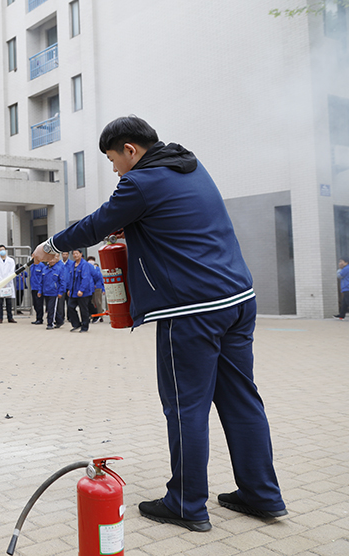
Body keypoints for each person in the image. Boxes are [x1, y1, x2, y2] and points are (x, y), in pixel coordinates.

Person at [32, 115, 286, 532]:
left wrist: (52, 244)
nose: (115, 170)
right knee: (242, 400)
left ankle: (186, 503)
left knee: (186, 407)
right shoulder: (189, 165)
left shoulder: (140, 183)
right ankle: (261, 494)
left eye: (113, 160)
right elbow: (167, 222)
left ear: (130, 150)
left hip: (192, 311)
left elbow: (97, 224)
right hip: (239, 300)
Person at [67, 249, 94, 332]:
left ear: (81, 254)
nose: (75, 255)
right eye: (74, 254)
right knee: (70, 307)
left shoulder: (85, 264)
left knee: (83, 309)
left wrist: (81, 290)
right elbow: (71, 278)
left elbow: (86, 278)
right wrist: (69, 289)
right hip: (73, 291)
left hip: (83, 292)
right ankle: (76, 324)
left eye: (77, 253)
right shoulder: (73, 264)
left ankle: (85, 326)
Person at [0, 244, 17, 323]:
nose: (2, 251)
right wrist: (2, 282)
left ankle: (10, 317)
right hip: (0, 283)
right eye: (0, 250)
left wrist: (6, 281)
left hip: (8, 283)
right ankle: (0, 318)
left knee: (9, 302)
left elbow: (11, 271)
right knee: (0, 302)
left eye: (3, 249)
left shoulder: (11, 260)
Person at [41, 258, 65, 329]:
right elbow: (41, 281)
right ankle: (59, 321)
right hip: (46, 292)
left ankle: (50, 323)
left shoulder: (59, 269)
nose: (51, 261)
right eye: (50, 259)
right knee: (50, 308)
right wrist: (40, 291)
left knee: (51, 308)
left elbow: (62, 282)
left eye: (53, 259)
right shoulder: (44, 269)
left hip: (54, 292)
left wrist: (60, 292)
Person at [87, 256, 105, 323]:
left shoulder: (96, 268)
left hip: (97, 287)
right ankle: (93, 315)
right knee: (91, 302)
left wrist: (103, 289)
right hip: (90, 288)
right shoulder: (87, 268)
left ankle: (100, 315)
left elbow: (99, 277)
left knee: (98, 302)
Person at [29, 261, 45, 325]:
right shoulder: (32, 265)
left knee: (39, 304)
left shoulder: (41, 265)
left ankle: (40, 319)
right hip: (33, 287)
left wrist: (41, 289)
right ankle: (37, 318)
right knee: (35, 304)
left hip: (39, 288)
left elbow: (43, 277)